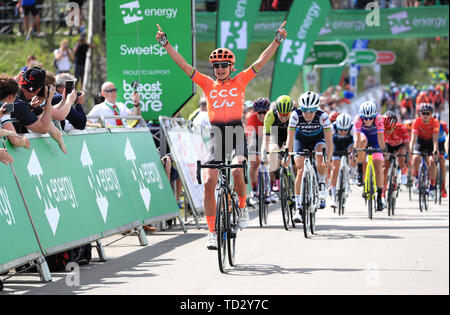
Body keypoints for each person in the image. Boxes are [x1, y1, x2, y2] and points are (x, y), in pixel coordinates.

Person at [155, 21, 287, 250]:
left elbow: (261, 61)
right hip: (216, 134)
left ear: (231, 66)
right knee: (208, 182)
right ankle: (212, 231)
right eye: (216, 65)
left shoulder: (240, 80)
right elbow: (184, 65)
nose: (219, 68)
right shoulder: (207, 84)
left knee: (237, 170)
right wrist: (166, 44)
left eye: (224, 65)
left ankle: (243, 206)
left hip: (236, 131)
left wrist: (277, 40)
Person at [285, 91, 333, 223]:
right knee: (300, 170)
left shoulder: (323, 116)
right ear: (301, 108)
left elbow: (329, 141)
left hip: (318, 139)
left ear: (316, 109)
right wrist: (287, 154)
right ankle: (298, 207)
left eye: (311, 111)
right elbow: (290, 137)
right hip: (300, 139)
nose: (308, 114)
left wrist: (327, 158)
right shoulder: (295, 114)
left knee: (320, 157)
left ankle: (322, 184)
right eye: (305, 110)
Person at [353, 101, 385, 212]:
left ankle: (380, 198)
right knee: (362, 141)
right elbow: (357, 138)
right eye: (365, 118)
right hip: (363, 137)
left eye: (370, 118)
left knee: (378, 165)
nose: (367, 121)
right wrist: (355, 151)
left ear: (374, 116)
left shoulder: (379, 119)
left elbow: (381, 137)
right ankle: (359, 171)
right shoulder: (358, 119)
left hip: (375, 140)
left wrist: (383, 151)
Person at [262, 95, 294, 194]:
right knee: (272, 151)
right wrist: (264, 151)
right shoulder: (270, 114)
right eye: (281, 114)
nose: (284, 117)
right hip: (276, 134)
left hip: (291, 133)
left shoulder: (294, 115)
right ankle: (277, 179)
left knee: (296, 164)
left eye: (286, 114)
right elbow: (266, 136)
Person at [410, 103, 440, 201]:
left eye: (428, 113)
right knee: (415, 158)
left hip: (430, 143)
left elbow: (435, 140)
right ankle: (416, 178)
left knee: (432, 162)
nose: (425, 115)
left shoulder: (435, 122)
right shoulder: (416, 122)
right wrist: (409, 150)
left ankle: (432, 187)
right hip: (420, 143)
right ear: (420, 114)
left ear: (431, 114)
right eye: (423, 113)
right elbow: (413, 139)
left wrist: (435, 149)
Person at [246, 97, 271, 206]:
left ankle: (271, 188)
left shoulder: (271, 117)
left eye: (263, 112)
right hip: (256, 139)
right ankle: (255, 190)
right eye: (258, 112)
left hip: (269, 137)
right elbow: (249, 135)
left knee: (270, 161)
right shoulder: (251, 118)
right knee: (254, 164)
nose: (261, 115)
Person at [382, 111, 410, 201]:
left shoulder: (402, 128)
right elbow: (381, 144)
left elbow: (407, 145)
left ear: (395, 125)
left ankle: (403, 173)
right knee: (385, 167)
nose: (388, 130)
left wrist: (408, 156)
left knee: (401, 157)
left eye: (390, 128)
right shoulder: (382, 128)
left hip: (399, 145)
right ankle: (383, 191)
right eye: (386, 128)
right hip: (388, 145)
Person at [329, 113, 354, 209]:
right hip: (337, 144)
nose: (343, 132)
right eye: (341, 130)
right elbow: (326, 140)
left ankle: (350, 174)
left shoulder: (352, 128)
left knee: (352, 153)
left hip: (349, 144)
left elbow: (356, 141)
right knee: (335, 168)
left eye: (345, 130)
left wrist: (353, 153)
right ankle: (333, 196)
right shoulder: (332, 127)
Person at [0, 74, 31, 149]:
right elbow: (14, 140)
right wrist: (24, 141)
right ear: (10, 96)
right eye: (15, 96)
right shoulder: (4, 109)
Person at [435, 114, 448, 198]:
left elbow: (448, 136)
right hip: (432, 143)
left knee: (442, 161)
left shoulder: (443, 125)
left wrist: (446, 151)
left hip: (442, 143)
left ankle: (443, 185)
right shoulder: (428, 125)